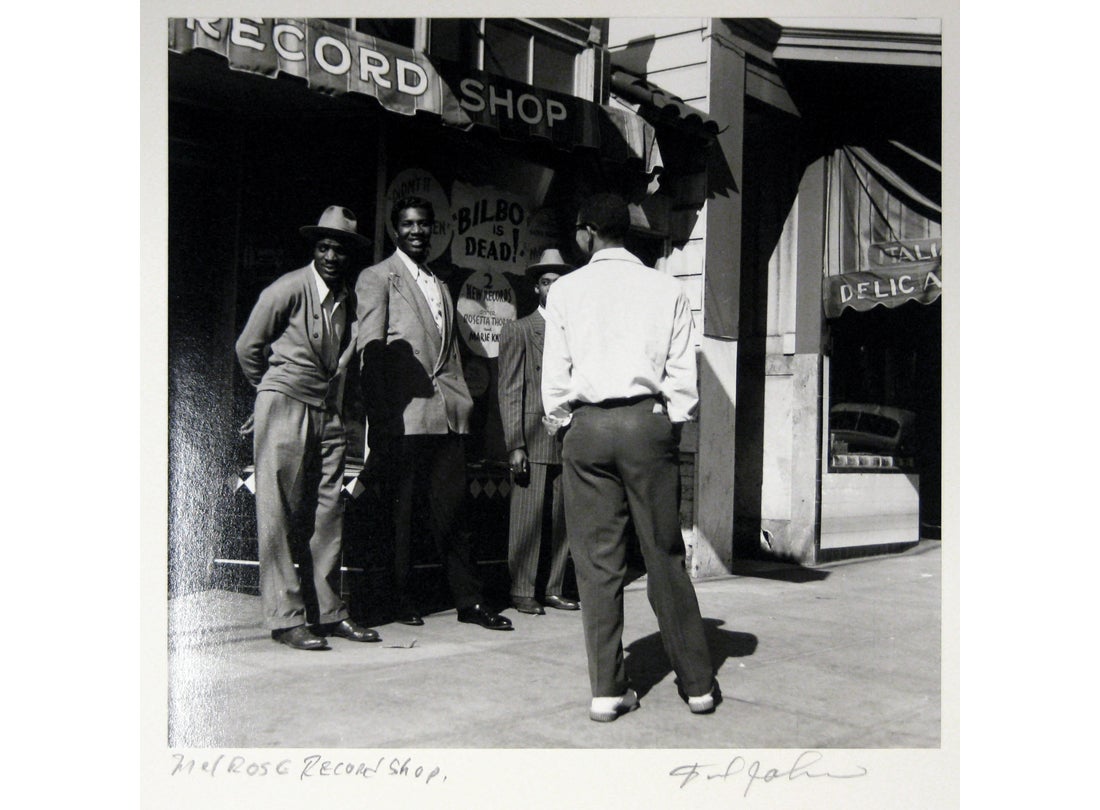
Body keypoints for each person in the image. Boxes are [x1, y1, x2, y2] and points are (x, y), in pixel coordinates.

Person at [542, 192, 719, 720]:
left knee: (597, 563)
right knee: (663, 553)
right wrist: (670, 420)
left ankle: (606, 690)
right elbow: (683, 372)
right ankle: (698, 685)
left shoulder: (566, 291)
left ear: (587, 232)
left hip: (589, 426)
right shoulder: (665, 288)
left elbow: (557, 374)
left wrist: (563, 421)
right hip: (648, 424)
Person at [355, 196, 512, 631]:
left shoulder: (441, 284)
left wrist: (463, 403)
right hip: (405, 415)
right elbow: (370, 352)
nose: (417, 231)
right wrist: (380, 420)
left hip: (448, 415)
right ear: (395, 230)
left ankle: (470, 601)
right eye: (408, 224)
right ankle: (399, 599)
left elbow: (451, 356)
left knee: (454, 510)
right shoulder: (377, 277)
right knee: (400, 516)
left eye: (423, 224)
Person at [235, 205, 382, 650]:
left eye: (340, 249)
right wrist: (271, 394)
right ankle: (285, 618)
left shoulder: (346, 299)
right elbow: (248, 346)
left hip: (327, 411)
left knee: (328, 511)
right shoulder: (288, 288)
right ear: (313, 249)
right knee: (278, 512)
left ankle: (329, 612)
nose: (331, 256)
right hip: (286, 405)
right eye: (324, 246)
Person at [497, 249, 581, 616]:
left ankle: (554, 587)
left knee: (564, 519)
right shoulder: (520, 330)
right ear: (537, 289)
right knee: (528, 517)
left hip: (570, 436)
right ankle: (522, 589)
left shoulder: (578, 332)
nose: (554, 288)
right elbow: (510, 389)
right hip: (533, 436)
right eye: (547, 282)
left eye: (560, 282)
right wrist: (515, 443)